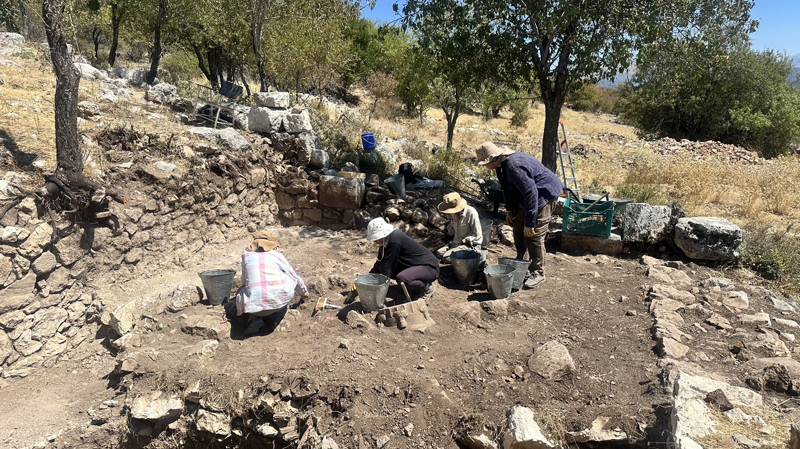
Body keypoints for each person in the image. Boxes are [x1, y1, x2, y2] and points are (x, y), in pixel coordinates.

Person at [475, 141, 563, 289]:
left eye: (484, 163)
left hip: (544, 194)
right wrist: (510, 209)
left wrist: (530, 222)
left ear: (492, 159)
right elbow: (506, 188)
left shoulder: (513, 167)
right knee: (518, 228)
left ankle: (538, 272)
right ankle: (522, 260)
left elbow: (531, 193)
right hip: (528, 196)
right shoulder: (501, 166)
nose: (483, 166)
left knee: (534, 235)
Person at [235, 230, 307, 336]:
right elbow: (294, 276)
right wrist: (304, 293)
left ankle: (252, 319)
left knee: (241, 291)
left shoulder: (246, 255)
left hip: (253, 308)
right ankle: (274, 319)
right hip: (277, 304)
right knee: (287, 278)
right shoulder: (277, 255)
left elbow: (244, 279)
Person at [366, 218, 439, 301]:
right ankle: (413, 285)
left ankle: (427, 288)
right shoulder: (386, 243)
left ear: (382, 234)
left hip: (429, 268)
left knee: (402, 279)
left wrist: (381, 292)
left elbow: (388, 266)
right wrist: (365, 281)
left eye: (375, 238)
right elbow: (379, 264)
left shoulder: (395, 239)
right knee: (382, 268)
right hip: (415, 266)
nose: (374, 241)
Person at [436, 192, 484, 264]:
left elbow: (478, 235)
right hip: (456, 242)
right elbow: (452, 227)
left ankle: (479, 255)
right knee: (439, 253)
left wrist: (465, 241)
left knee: (446, 258)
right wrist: (447, 234)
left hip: (469, 245)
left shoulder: (471, 213)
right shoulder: (454, 213)